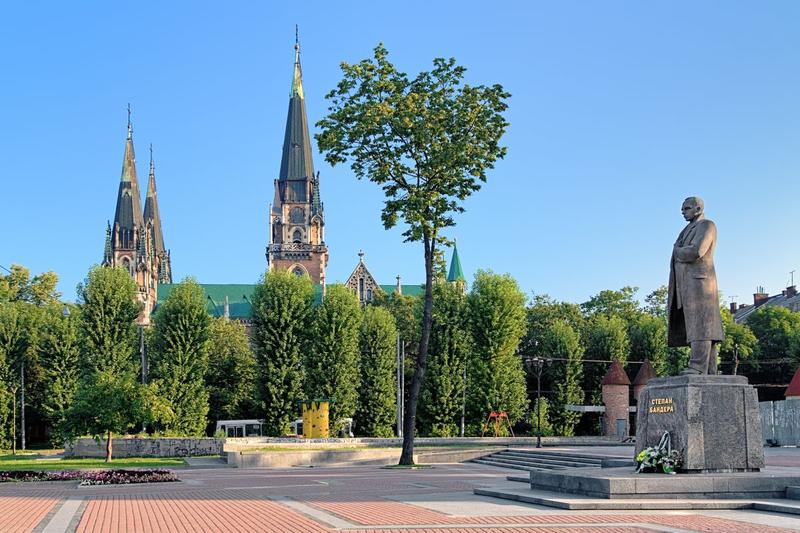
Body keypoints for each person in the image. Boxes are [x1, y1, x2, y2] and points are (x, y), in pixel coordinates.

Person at [667, 196, 724, 374]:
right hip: (686, 285)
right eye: (682, 209)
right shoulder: (686, 229)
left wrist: (677, 252)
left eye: (687, 208)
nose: (683, 212)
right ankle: (710, 370)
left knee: (701, 324)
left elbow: (697, 251)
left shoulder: (707, 225)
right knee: (701, 326)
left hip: (700, 284)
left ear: (698, 209)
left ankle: (697, 366)